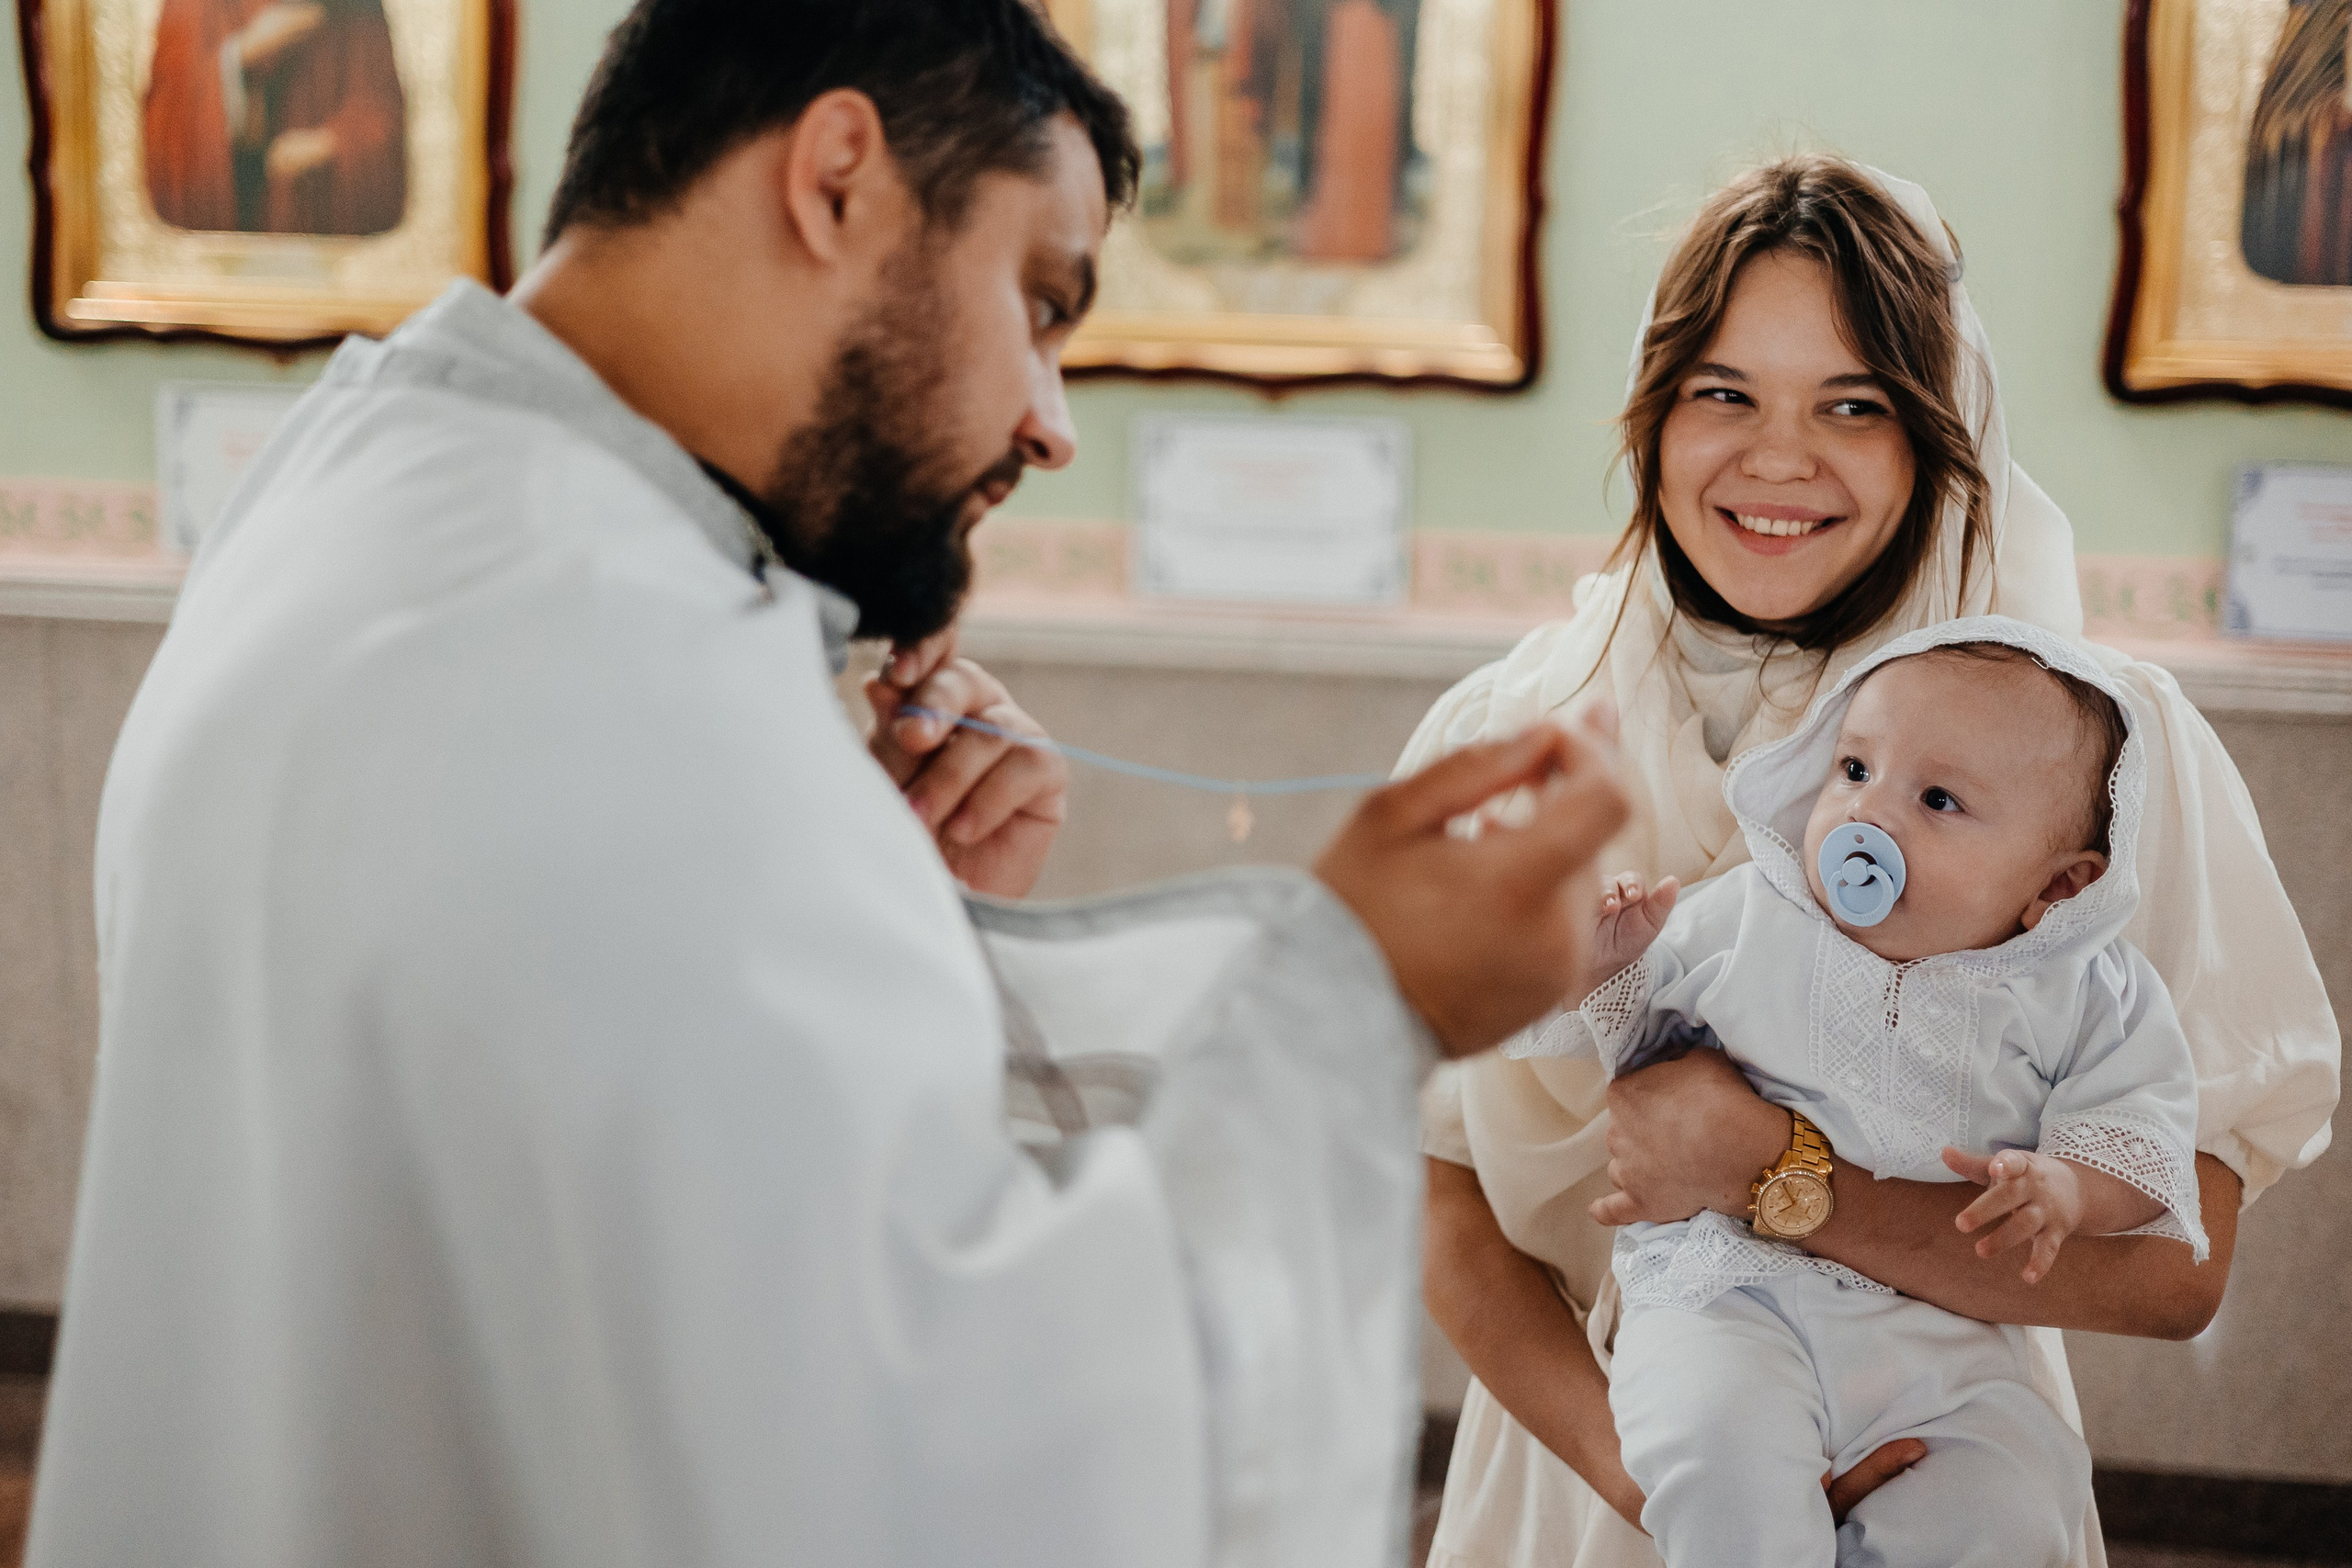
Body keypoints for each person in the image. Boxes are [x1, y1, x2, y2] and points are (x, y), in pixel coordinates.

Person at [29, 5, 1631, 1565]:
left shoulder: (381, 494)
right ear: (840, 177)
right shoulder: (617, 661)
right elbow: (923, 1441)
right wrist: (1359, 1000)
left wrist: (870, 877)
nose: (1049, 423)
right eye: (1042, 296)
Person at [1409, 157, 2340, 1568]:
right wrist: (1653, 1475)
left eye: (1854, 404)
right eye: (1723, 393)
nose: (1777, 458)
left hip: (1948, 1459)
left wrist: (1779, 1172)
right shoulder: (1502, 739)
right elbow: (1439, 1195)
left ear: (1943, 433)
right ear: (1653, 415)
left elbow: (2176, 1267)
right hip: (1584, 1477)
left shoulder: (2104, 753)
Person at [1544, 621, 2204, 1567]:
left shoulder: (2084, 991)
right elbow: (1629, 1043)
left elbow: (2137, 1131)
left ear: (2057, 886)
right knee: (1712, 1447)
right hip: (1728, 1294)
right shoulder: (1751, 915)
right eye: (1854, 770)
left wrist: (2067, 1190)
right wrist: (1604, 967)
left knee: (2018, 1495)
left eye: (1937, 799)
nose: (1869, 817)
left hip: (1940, 1332)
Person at [144, 0, 409, 236]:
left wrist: (330, 143)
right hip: (224, 226)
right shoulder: (191, 7)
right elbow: (165, 117)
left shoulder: (358, 12)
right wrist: (241, 54)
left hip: (315, 224)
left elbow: (384, 120)